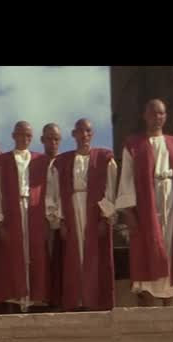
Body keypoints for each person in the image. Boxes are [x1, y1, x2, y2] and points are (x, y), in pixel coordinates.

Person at [116, 99, 173, 307]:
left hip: (172, 200)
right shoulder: (133, 145)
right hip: (146, 202)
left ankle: (168, 298)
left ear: (166, 116)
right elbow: (126, 179)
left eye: (161, 113)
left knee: (171, 246)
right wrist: (129, 212)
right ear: (145, 116)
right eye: (153, 113)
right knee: (147, 246)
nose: (157, 117)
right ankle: (148, 299)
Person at [46, 118, 119, 311]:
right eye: (80, 131)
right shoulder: (62, 162)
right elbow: (56, 192)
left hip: (95, 210)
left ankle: (94, 300)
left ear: (92, 134)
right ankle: (75, 300)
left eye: (88, 131)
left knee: (94, 256)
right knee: (73, 255)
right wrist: (61, 220)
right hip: (71, 209)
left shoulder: (104, 158)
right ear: (73, 134)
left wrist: (105, 217)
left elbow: (110, 189)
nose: (84, 135)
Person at [0, 121, 38, 313]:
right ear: (14, 136)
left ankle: (32, 299)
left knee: (33, 254)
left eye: (28, 135)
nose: (24, 139)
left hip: (33, 210)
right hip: (11, 210)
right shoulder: (3, 161)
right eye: (21, 134)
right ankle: (13, 300)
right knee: (11, 256)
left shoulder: (39, 160)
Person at [29, 123, 62, 310]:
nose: (53, 143)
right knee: (40, 257)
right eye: (49, 139)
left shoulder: (64, 162)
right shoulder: (35, 163)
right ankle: (40, 297)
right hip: (38, 218)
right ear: (42, 140)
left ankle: (58, 298)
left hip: (61, 217)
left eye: (56, 139)